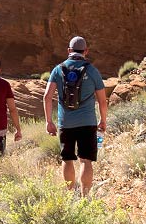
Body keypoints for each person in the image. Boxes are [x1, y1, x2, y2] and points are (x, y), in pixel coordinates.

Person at [44, 36, 107, 196]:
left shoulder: (58, 70)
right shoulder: (92, 71)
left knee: (67, 159)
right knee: (86, 160)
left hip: (66, 123)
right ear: (86, 51)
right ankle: (85, 197)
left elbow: (47, 96)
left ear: (69, 51)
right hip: (87, 122)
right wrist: (103, 120)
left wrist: (49, 121)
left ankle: (70, 195)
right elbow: (102, 100)